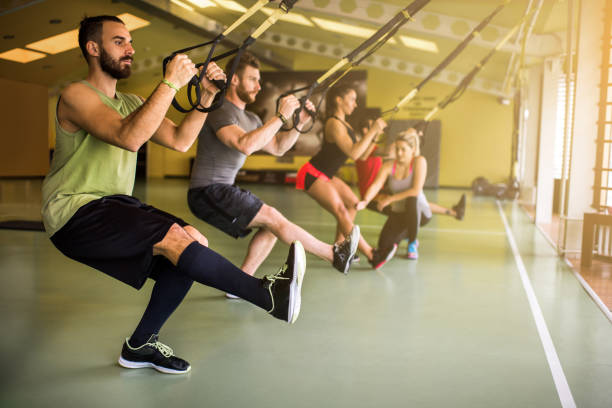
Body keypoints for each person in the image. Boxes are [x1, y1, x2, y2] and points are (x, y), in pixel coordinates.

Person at [42, 15, 306, 375]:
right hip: (74, 209)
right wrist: (170, 82)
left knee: (192, 243)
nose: (130, 48)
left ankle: (139, 345)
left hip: (113, 205)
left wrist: (207, 97)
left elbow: (182, 142)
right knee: (176, 241)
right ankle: (267, 296)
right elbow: (128, 137)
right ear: (93, 48)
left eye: (130, 41)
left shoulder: (131, 101)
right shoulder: (75, 95)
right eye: (119, 41)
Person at [188, 52, 359, 291]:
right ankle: (333, 254)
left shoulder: (251, 118)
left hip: (222, 189)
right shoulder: (220, 109)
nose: (258, 86)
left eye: (259, 80)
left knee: (271, 227)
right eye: (252, 80)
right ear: (234, 80)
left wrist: (298, 124)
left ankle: (238, 285)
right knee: (273, 218)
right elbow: (244, 145)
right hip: (206, 192)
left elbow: (278, 147)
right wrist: (280, 116)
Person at [296, 86, 387, 266]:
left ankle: (339, 248)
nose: (355, 103)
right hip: (312, 174)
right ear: (339, 100)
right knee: (341, 210)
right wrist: (373, 129)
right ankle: (371, 254)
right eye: (352, 99)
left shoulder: (346, 125)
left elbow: (362, 155)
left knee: (353, 204)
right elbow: (353, 153)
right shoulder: (333, 124)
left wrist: (374, 135)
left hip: (327, 175)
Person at [356, 129, 465, 265]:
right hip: (398, 214)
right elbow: (376, 185)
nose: (399, 153)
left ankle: (412, 243)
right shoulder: (389, 166)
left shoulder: (419, 161)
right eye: (396, 149)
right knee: (383, 245)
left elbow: (415, 190)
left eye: (403, 149)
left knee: (411, 200)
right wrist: (365, 201)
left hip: (419, 213)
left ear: (413, 150)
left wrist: (389, 199)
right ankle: (402, 237)